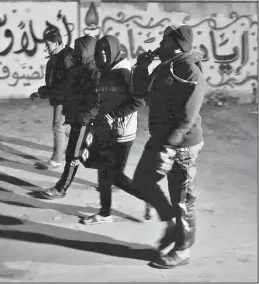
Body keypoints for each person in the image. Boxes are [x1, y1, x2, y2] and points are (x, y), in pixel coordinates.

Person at [131, 24, 205, 269]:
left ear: (176, 46)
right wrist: (142, 67)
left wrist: (170, 147)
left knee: (183, 199)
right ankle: (172, 223)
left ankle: (182, 251)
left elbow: (188, 117)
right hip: (161, 138)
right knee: (142, 179)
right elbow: (141, 94)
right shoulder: (165, 67)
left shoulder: (190, 71)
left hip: (182, 144)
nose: (160, 45)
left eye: (164, 42)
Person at [81, 35, 146, 225]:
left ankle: (150, 198)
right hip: (107, 129)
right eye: (99, 51)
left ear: (113, 51)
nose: (101, 55)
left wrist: (112, 115)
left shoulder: (123, 73)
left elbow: (138, 101)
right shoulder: (108, 70)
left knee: (116, 177)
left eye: (105, 51)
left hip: (122, 133)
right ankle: (104, 213)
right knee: (103, 173)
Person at [37, 35, 100, 199]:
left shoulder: (95, 71)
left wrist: (84, 115)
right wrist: (44, 92)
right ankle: (110, 179)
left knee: (73, 154)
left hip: (85, 119)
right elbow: (65, 88)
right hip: (77, 116)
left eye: (80, 49)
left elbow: (96, 100)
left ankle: (61, 188)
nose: (75, 52)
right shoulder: (78, 67)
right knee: (84, 151)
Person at [30, 30, 74, 170]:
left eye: (48, 45)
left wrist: (44, 92)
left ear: (56, 43)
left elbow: (65, 84)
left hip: (65, 99)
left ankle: (56, 160)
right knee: (65, 126)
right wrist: (41, 92)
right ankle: (85, 142)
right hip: (63, 97)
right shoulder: (61, 56)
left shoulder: (65, 58)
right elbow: (54, 83)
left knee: (58, 126)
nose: (46, 48)